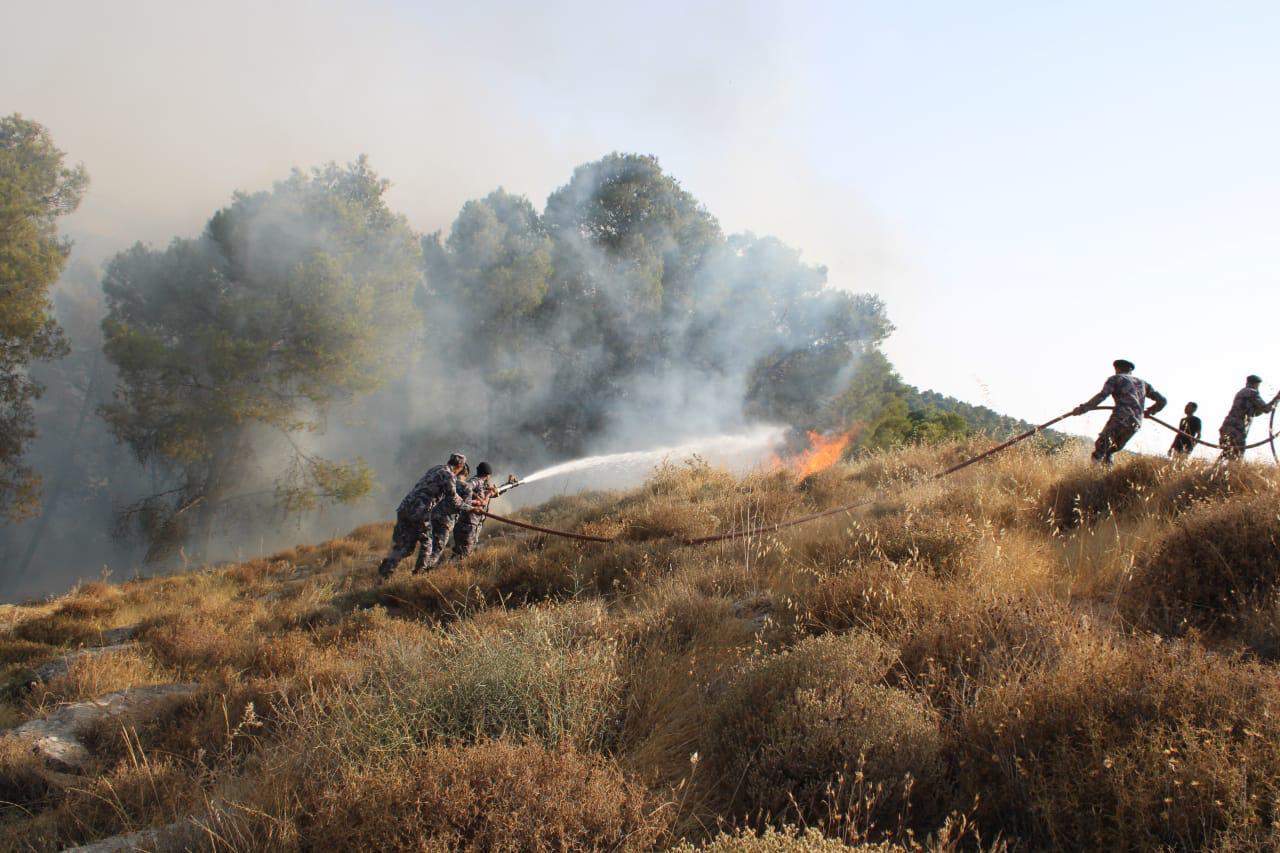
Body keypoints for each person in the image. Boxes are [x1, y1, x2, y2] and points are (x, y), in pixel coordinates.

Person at [376, 452, 468, 580]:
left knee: (407, 547)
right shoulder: (449, 476)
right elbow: (453, 499)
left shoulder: (436, 468)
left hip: (405, 507)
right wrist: (469, 507)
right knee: (427, 543)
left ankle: (386, 571)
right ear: (460, 466)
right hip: (419, 511)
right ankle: (418, 575)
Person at [1073, 359, 1167, 464]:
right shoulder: (1143, 383)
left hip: (1121, 418)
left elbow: (1102, 396)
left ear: (1117, 369)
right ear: (1130, 371)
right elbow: (1162, 401)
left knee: (1101, 447)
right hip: (1136, 423)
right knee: (1111, 450)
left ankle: (1092, 476)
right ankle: (1105, 477)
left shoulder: (1115, 379)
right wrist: (1150, 411)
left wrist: (1083, 409)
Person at [423, 463, 474, 570]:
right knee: (437, 551)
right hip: (445, 521)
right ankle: (421, 571)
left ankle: (424, 568)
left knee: (432, 546)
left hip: (433, 516)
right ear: (466, 473)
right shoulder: (466, 488)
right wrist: (477, 505)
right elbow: (465, 506)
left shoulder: (449, 482)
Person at [1218, 375, 1278, 460]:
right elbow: (1266, 409)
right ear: (1256, 384)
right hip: (1237, 430)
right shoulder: (1252, 392)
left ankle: (1212, 472)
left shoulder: (1241, 392)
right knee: (1236, 458)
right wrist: (1277, 398)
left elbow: (1254, 412)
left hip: (1226, 427)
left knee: (1227, 454)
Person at [453, 462, 498, 559]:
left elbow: (481, 494)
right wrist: (478, 501)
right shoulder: (475, 482)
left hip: (469, 524)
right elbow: (465, 494)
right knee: (464, 555)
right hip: (467, 524)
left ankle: (446, 569)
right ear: (488, 474)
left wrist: (493, 492)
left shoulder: (481, 484)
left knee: (460, 553)